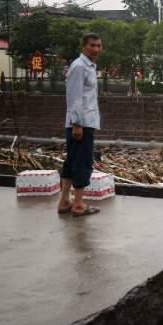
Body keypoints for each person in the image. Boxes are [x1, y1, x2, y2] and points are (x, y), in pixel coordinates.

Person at [60, 33, 103, 217]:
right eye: (92, 45)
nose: (96, 49)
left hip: (84, 121)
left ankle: (64, 201)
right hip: (81, 123)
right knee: (82, 162)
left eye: (99, 45)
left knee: (71, 161)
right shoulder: (79, 67)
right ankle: (78, 203)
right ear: (83, 46)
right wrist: (77, 123)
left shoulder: (89, 66)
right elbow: (74, 97)